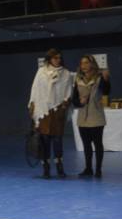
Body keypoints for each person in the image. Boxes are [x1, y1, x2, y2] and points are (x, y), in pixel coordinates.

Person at [29, 48, 73, 179]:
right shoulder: (41, 72)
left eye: (59, 58)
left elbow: (68, 92)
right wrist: (32, 107)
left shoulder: (66, 73)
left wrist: (64, 105)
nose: (58, 60)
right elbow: (35, 90)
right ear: (49, 59)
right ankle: (46, 169)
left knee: (58, 141)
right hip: (43, 111)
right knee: (44, 141)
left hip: (58, 111)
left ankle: (60, 168)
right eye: (55, 58)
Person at [72, 55, 110, 178]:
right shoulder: (77, 79)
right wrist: (79, 102)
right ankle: (88, 168)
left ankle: (98, 169)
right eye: (82, 63)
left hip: (96, 116)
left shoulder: (99, 78)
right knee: (86, 145)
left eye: (86, 63)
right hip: (82, 118)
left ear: (92, 64)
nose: (84, 65)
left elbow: (106, 92)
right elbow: (74, 99)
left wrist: (106, 79)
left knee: (98, 144)